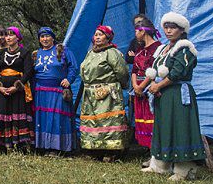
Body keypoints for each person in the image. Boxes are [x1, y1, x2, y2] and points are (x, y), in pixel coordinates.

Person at [143, 12, 205, 181]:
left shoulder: (185, 48)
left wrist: (158, 86)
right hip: (163, 95)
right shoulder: (163, 49)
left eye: (173, 28)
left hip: (178, 94)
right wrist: (153, 85)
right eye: (166, 27)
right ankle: (160, 165)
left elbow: (177, 72)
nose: (168, 31)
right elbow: (155, 70)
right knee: (164, 126)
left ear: (182, 30)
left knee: (180, 127)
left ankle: (184, 169)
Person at [78, 25, 130, 159]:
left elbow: (122, 72)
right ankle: (95, 149)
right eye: (96, 35)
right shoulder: (90, 53)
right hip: (90, 93)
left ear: (108, 38)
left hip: (107, 93)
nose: (97, 37)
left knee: (108, 120)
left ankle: (112, 151)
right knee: (93, 121)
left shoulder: (112, 53)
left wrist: (117, 85)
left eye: (100, 35)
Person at [32, 27, 80, 154]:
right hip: (40, 91)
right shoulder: (36, 54)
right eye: (42, 37)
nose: (45, 39)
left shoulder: (62, 50)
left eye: (47, 36)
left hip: (58, 90)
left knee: (56, 118)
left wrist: (69, 79)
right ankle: (42, 146)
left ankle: (57, 147)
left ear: (53, 38)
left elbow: (74, 67)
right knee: (43, 118)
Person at [0, 26, 34, 151]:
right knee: (1, 112)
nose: (8, 37)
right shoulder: (1, 53)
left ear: (18, 37)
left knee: (17, 113)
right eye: (6, 35)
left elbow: (28, 72)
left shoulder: (25, 53)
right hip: (2, 87)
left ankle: (21, 144)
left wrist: (17, 86)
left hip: (18, 88)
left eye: (11, 35)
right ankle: (0, 144)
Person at [129, 17, 161, 156]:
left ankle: (155, 149)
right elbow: (134, 69)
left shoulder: (158, 48)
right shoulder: (140, 49)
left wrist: (142, 86)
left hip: (149, 88)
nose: (135, 34)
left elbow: (154, 69)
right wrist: (135, 85)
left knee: (152, 117)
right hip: (138, 88)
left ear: (143, 31)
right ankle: (147, 148)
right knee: (141, 118)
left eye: (137, 31)